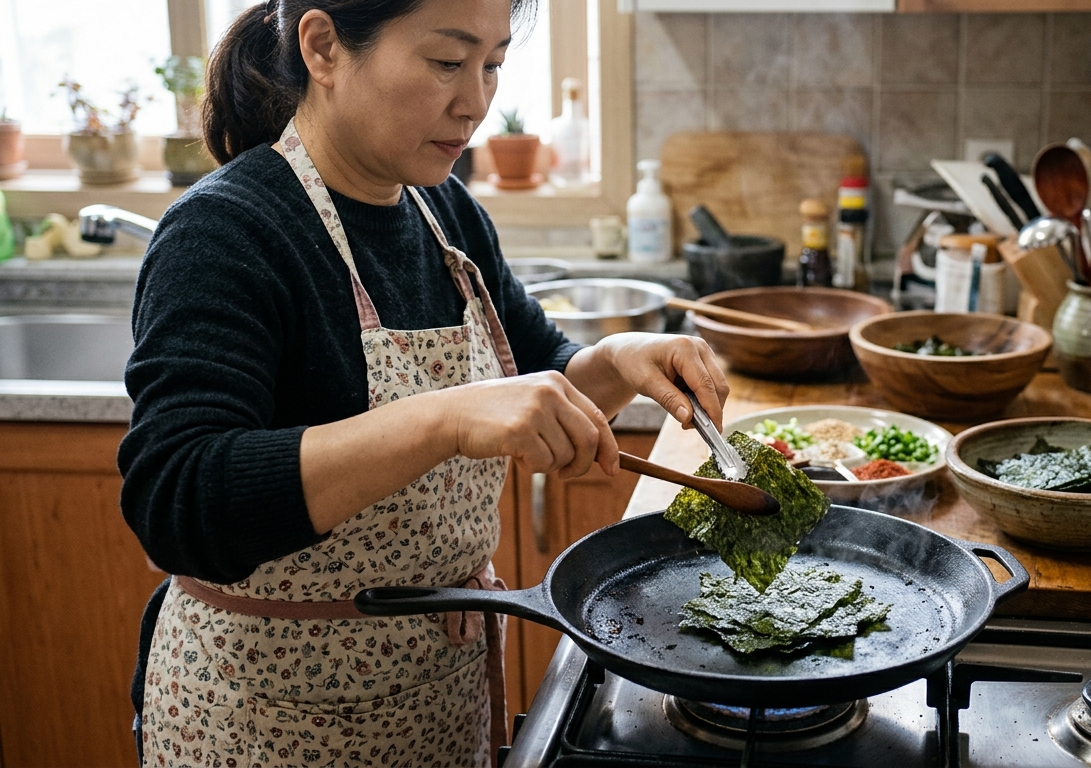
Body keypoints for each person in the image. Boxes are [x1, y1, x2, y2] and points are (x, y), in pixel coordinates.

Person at [118, 0, 728, 764]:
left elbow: (534, 374)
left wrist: (617, 361)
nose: (476, 101)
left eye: (494, 63)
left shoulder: (443, 210)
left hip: (434, 699)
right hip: (266, 720)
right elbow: (177, 501)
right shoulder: (225, 233)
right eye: (447, 61)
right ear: (324, 47)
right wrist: (444, 419)